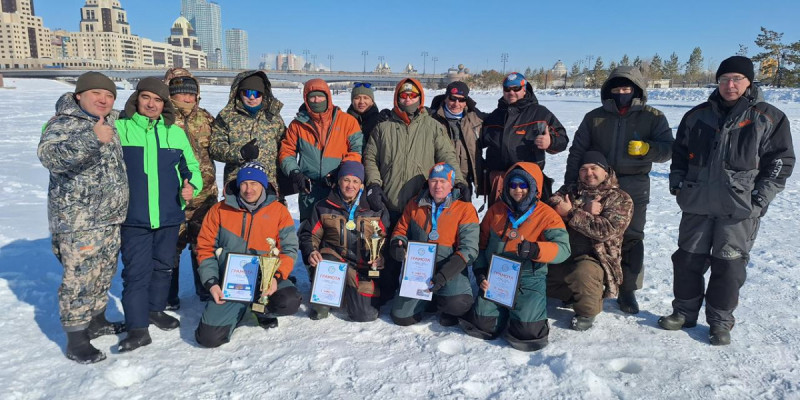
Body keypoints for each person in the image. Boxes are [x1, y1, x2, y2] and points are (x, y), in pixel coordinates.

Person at [659, 56, 794, 345]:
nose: (730, 85)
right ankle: (683, 312)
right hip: (697, 203)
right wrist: (677, 184)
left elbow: (780, 162)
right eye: (724, 79)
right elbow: (679, 154)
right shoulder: (697, 116)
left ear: (749, 82)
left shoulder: (768, 117)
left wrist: (759, 199)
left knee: (729, 267)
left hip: (739, 209)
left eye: (736, 79)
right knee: (687, 260)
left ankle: (720, 323)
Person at [563, 66, 674, 314]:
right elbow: (578, 151)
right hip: (596, 184)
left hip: (634, 183)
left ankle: (627, 289)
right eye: (617, 88)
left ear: (636, 90)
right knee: (587, 232)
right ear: (608, 91)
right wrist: (571, 183)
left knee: (632, 237)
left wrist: (648, 149)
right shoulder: (594, 117)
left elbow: (668, 149)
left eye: (627, 88)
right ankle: (589, 283)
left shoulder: (652, 116)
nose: (622, 92)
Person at [37, 71, 128, 363]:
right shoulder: (63, 123)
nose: (103, 100)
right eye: (96, 94)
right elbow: (49, 157)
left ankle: (97, 320)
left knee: (102, 272)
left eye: (109, 95)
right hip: (79, 222)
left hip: (109, 217)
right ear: (79, 96)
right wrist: (92, 139)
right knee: (79, 278)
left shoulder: (109, 121)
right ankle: (76, 339)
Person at [115, 77, 203, 352]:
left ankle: (155, 309)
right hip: (134, 217)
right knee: (136, 272)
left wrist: (192, 187)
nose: (151, 104)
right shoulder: (120, 129)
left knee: (163, 267)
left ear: (164, 104)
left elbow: (191, 167)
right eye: (146, 98)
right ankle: (137, 327)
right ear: (136, 99)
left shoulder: (173, 132)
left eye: (158, 100)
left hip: (168, 214)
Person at [363, 78, 466, 302]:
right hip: (389, 200)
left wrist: (458, 181)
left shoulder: (433, 126)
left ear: (420, 98)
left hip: (421, 203)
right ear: (397, 97)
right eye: (403, 95)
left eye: (412, 95)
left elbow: (447, 156)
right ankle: (386, 290)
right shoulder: (383, 127)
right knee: (389, 249)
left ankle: (423, 292)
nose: (408, 99)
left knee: (420, 250)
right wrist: (373, 184)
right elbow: (370, 158)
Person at [460, 162, 570, 351]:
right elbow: (481, 244)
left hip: (528, 278)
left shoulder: (547, 215)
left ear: (533, 187)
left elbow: (563, 249)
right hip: (497, 277)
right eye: (512, 185)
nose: (517, 190)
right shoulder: (495, 211)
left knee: (527, 333)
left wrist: (536, 250)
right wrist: (480, 273)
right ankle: (502, 313)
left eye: (523, 185)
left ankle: (523, 312)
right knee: (482, 323)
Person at [194, 162, 301, 348]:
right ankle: (241, 308)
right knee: (209, 338)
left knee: (289, 300)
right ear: (238, 184)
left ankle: (261, 310)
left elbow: (289, 249)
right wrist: (211, 283)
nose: (248, 189)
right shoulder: (219, 210)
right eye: (244, 183)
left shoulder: (279, 212)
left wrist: (276, 277)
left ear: (263, 186)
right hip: (230, 283)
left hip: (264, 280)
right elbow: (204, 248)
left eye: (254, 184)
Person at [548, 152, 633, 331]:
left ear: (605, 171)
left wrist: (571, 213)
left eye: (594, 168)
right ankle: (570, 295)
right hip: (564, 250)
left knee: (583, 273)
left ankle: (587, 311)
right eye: (583, 169)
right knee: (536, 271)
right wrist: (584, 209)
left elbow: (605, 230)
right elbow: (552, 204)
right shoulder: (570, 190)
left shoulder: (619, 198)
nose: (589, 173)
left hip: (595, 258)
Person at [388, 163, 479, 327]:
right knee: (401, 317)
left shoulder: (465, 209)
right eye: (434, 181)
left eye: (443, 181)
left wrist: (443, 276)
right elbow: (400, 230)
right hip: (419, 271)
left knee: (458, 304)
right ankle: (428, 300)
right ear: (428, 183)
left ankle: (443, 300)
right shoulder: (414, 204)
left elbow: (469, 249)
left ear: (451, 184)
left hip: (449, 269)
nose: (438, 186)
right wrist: (398, 245)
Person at [298, 161, 390, 322]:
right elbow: (309, 235)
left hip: (362, 268)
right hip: (334, 262)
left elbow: (386, 239)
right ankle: (324, 301)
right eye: (346, 180)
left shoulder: (375, 209)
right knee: (326, 259)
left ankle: (348, 291)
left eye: (355, 181)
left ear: (361, 184)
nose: (350, 186)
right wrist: (311, 251)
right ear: (339, 181)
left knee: (365, 314)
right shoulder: (323, 206)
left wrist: (382, 257)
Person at [163, 68, 219, 309]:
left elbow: (219, 148)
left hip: (204, 197)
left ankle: (206, 290)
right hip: (171, 198)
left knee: (203, 246)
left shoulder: (206, 119)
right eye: (180, 94)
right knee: (169, 249)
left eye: (191, 94)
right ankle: (168, 296)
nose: (186, 98)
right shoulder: (160, 120)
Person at [279, 78, 363, 220]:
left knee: (335, 230)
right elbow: (287, 152)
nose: (317, 100)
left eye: (320, 96)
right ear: (306, 98)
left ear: (328, 97)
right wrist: (294, 172)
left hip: (337, 188)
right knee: (308, 231)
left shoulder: (347, 121)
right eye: (312, 97)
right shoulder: (297, 125)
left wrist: (341, 171)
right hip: (308, 189)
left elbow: (356, 150)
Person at [480, 72, 568, 205]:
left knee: (529, 221)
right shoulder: (495, 115)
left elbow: (562, 139)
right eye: (507, 89)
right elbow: (478, 140)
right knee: (498, 221)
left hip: (528, 179)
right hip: (500, 181)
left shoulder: (540, 113)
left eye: (516, 89)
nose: (511, 92)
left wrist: (550, 142)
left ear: (524, 89)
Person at [210, 70, 286, 187]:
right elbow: (215, 148)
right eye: (247, 92)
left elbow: (286, 146)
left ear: (263, 94)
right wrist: (240, 153)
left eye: (256, 94)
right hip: (238, 183)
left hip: (269, 183)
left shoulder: (274, 117)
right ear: (239, 93)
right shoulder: (226, 117)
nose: (251, 97)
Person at [429, 81, 485, 200]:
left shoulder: (476, 119)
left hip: (465, 183)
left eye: (461, 100)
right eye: (453, 99)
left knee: (463, 216)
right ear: (446, 98)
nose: (456, 104)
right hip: (439, 183)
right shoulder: (431, 119)